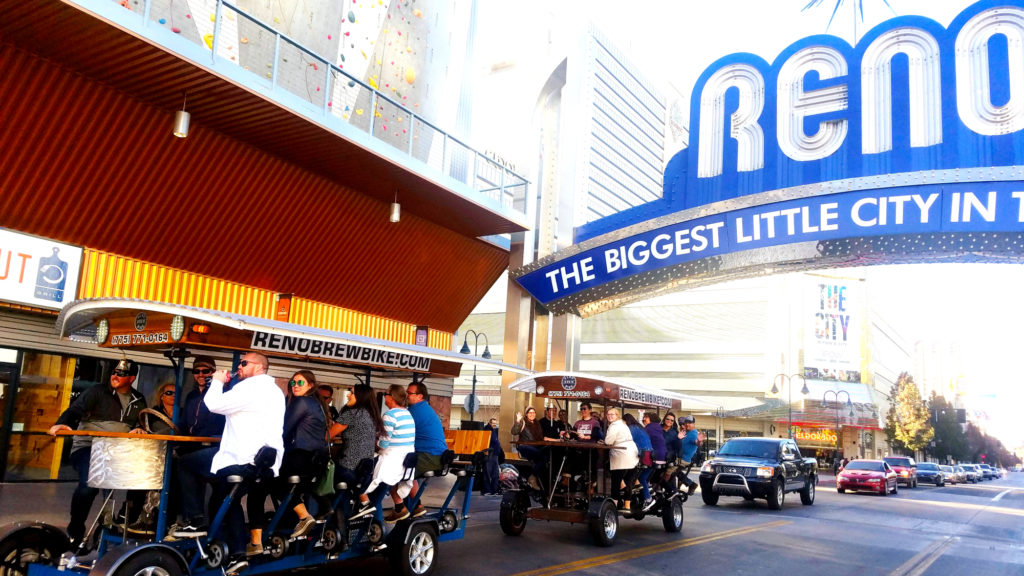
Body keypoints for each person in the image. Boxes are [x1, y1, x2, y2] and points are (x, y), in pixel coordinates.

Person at [188, 353, 285, 573]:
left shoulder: (249, 387)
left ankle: (192, 520)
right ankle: (237, 553)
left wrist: (218, 382)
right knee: (226, 498)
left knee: (186, 463)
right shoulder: (275, 391)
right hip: (266, 463)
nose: (238, 367)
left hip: (242, 458)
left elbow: (213, 405)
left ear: (260, 367)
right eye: (239, 363)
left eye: (243, 363)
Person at [47, 358, 146, 547]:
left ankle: (111, 526)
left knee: (141, 480)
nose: (116, 376)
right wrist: (61, 422)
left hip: (118, 451)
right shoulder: (97, 391)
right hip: (88, 448)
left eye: (122, 374)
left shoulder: (138, 399)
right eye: (114, 372)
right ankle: (75, 529)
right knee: (89, 484)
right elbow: (75, 410)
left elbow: (142, 422)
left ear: (132, 378)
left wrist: (140, 429)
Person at [246, 370, 326, 553]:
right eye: (293, 383)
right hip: (312, 463)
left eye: (300, 383)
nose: (295, 386)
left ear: (311, 386)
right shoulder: (316, 404)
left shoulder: (301, 402)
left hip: (299, 459)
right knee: (272, 484)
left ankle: (257, 542)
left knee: (258, 486)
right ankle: (302, 515)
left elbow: (283, 429)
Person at [351, 384, 415, 523]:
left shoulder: (390, 415)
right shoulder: (407, 413)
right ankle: (398, 507)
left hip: (389, 462)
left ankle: (364, 506)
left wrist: (373, 442)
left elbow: (384, 444)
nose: (384, 397)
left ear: (391, 397)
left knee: (354, 470)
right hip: (402, 463)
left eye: (385, 394)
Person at [387, 381, 446, 522]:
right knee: (405, 469)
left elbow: (395, 433)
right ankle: (416, 507)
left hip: (429, 456)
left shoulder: (413, 411)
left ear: (420, 396)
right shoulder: (423, 408)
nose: (406, 395)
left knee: (391, 471)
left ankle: (401, 508)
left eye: (409, 393)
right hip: (434, 455)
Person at [126, 381, 178, 535]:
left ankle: (169, 522)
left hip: (176, 454)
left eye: (176, 393)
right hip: (155, 454)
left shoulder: (182, 413)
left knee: (176, 479)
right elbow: (145, 429)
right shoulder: (152, 413)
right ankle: (135, 517)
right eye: (169, 393)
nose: (173, 396)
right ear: (161, 396)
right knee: (142, 476)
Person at [332, 384, 385, 500]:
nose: (348, 395)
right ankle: (364, 504)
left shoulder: (352, 414)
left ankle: (327, 512)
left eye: (351, 392)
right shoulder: (372, 414)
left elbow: (327, 436)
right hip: (365, 469)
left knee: (324, 478)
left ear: (361, 396)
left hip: (348, 467)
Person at [603, 408, 639, 512]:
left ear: (617, 415)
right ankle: (627, 505)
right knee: (629, 481)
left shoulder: (614, 425)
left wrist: (605, 441)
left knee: (615, 480)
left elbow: (608, 441)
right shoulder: (623, 424)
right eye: (608, 414)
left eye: (612, 414)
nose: (610, 416)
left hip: (621, 455)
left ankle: (614, 505)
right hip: (632, 453)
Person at [623, 413, 655, 511]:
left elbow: (625, 439)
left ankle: (648, 499)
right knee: (641, 477)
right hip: (649, 455)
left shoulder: (632, 428)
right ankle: (640, 489)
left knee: (634, 476)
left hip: (642, 455)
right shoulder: (639, 427)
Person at [511, 406, 546, 490]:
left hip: (536, 446)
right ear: (526, 414)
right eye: (530, 413)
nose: (532, 414)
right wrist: (518, 420)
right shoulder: (523, 422)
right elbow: (514, 431)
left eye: (534, 412)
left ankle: (543, 484)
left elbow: (541, 438)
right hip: (525, 447)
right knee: (542, 458)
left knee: (548, 456)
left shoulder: (537, 423)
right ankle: (532, 477)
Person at [676, 415, 703, 495]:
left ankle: (691, 484)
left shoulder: (694, 433)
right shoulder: (686, 432)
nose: (687, 424)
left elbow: (697, 443)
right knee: (674, 472)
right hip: (679, 457)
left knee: (669, 470)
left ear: (694, 424)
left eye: (690, 423)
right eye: (686, 423)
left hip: (684, 459)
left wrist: (699, 441)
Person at [480, 418, 504, 496]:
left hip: (494, 454)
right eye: (493, 423)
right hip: (490, 454)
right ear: (490, 423)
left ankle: (493, 490)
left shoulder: (493, 430)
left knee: (494, 473)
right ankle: (487, 490)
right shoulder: (488, 430)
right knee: (488, 472)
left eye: (495, 423)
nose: (495, 424)